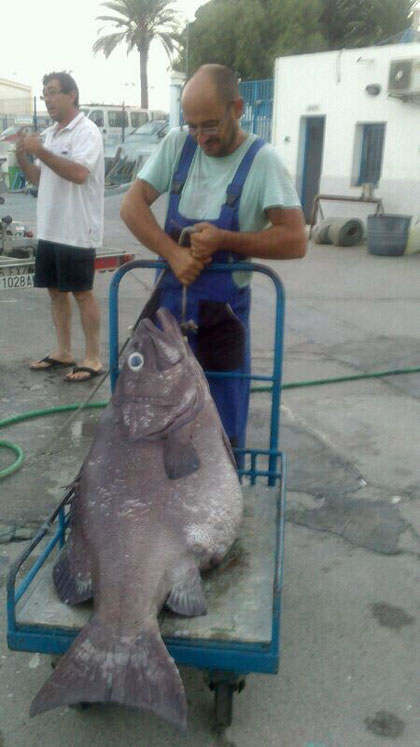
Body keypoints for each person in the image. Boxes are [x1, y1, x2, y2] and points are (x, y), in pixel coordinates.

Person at [121, 64, 307, 453]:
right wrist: (173, 253)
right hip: (168, 314)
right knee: (154, 419)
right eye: (192, 126)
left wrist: (226, 238)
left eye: (210, 125)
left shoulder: (263, 162)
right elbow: (131, 206)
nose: (201, 138)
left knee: (222, 424)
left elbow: (295, 240)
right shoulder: (177, 145)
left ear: (237, 108)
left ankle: (222, 498)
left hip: (223, 321)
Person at [16, 71, 105, 382]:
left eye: (53, 92)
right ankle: (63, 351)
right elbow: (41, 178)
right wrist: (24, 158)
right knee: (55, 292)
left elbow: (80, 173)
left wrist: (40, 151)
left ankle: (93, 358)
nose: (48, 100)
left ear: (72, 95)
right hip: (51, 227)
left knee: (82, 293)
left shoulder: (87, 132)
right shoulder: (52, 135)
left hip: (77, 228)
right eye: (45, 95)